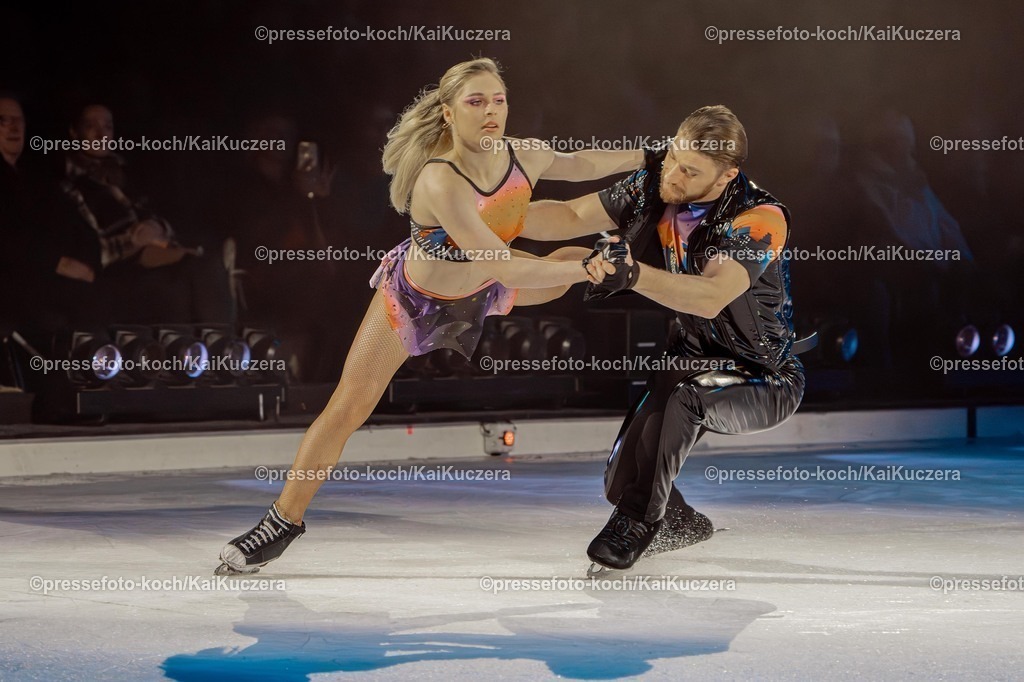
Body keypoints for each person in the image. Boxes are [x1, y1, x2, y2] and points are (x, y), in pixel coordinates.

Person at [216, 58, 641, 574]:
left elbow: (587, 164)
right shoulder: (440, 180)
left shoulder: (525, 155)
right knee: (347, 409)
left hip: (483, 291)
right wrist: (588, 270)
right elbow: (502, 261)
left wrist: (655, 155)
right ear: (448, 113)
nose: (491, 111)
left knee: (566, 264)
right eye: (475, 101)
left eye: (498, 100)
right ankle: (281, 523)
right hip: (415, 303)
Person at [525, 105, 806, 570]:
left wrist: (633, 275)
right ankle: (681, 524)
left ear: (725, 176)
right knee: (620, 482)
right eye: (673, 156)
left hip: (763, 375)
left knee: (686, 400)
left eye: (689, 170)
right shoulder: (656, 183)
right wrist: (486, 219)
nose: (672, 173)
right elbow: (568, 214)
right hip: (688, 360)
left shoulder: (760, 217)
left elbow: (712, 297)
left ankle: (639, 522)